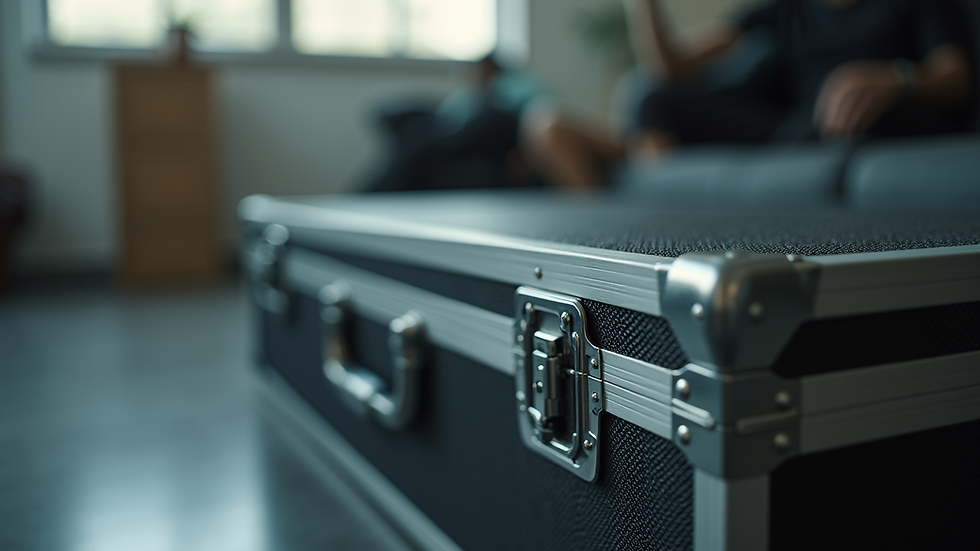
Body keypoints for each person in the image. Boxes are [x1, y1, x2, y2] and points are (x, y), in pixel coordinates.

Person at [527, 0, 976, 190]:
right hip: (790, 129)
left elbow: (956, 75)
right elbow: (674, 68)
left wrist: (893, 77)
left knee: (853, 119)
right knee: (653, 97)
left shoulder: (912, 3)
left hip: (866, 121)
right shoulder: (787, 8)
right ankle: (652, 207)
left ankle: (650, 189)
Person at [366, 54, 548, 192]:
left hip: (492, 134)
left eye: (479, 71)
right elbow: (447, 119)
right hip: (457, 139)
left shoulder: (512, 88)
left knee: (418, 150)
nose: (473, 77)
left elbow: (536, 113)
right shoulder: (467, 97)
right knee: (413, 141)